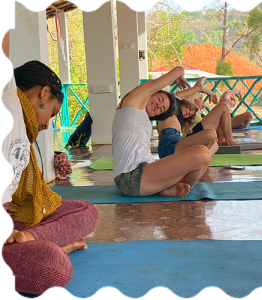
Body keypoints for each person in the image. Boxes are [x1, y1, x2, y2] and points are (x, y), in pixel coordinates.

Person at [1, 29, 99, 296]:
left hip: (18, 217)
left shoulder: (25, 131)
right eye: (53, 112)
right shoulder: (7, 105)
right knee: (55, 268)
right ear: (44, 93)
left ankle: (31, 240)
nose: (47, 126)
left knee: (85, 209)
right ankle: (55, 246)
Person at [112, 66, 213, 198]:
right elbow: (179, 69)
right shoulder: (132, 101)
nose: (159, 106)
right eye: (159, 99)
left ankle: (166, 188)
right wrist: (179, 75)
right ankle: (167, 186)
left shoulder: (143, 118)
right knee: (202, 153)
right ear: (152, 92)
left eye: (162, 109)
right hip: (131, 175)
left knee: (203, 162)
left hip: (146, 174)